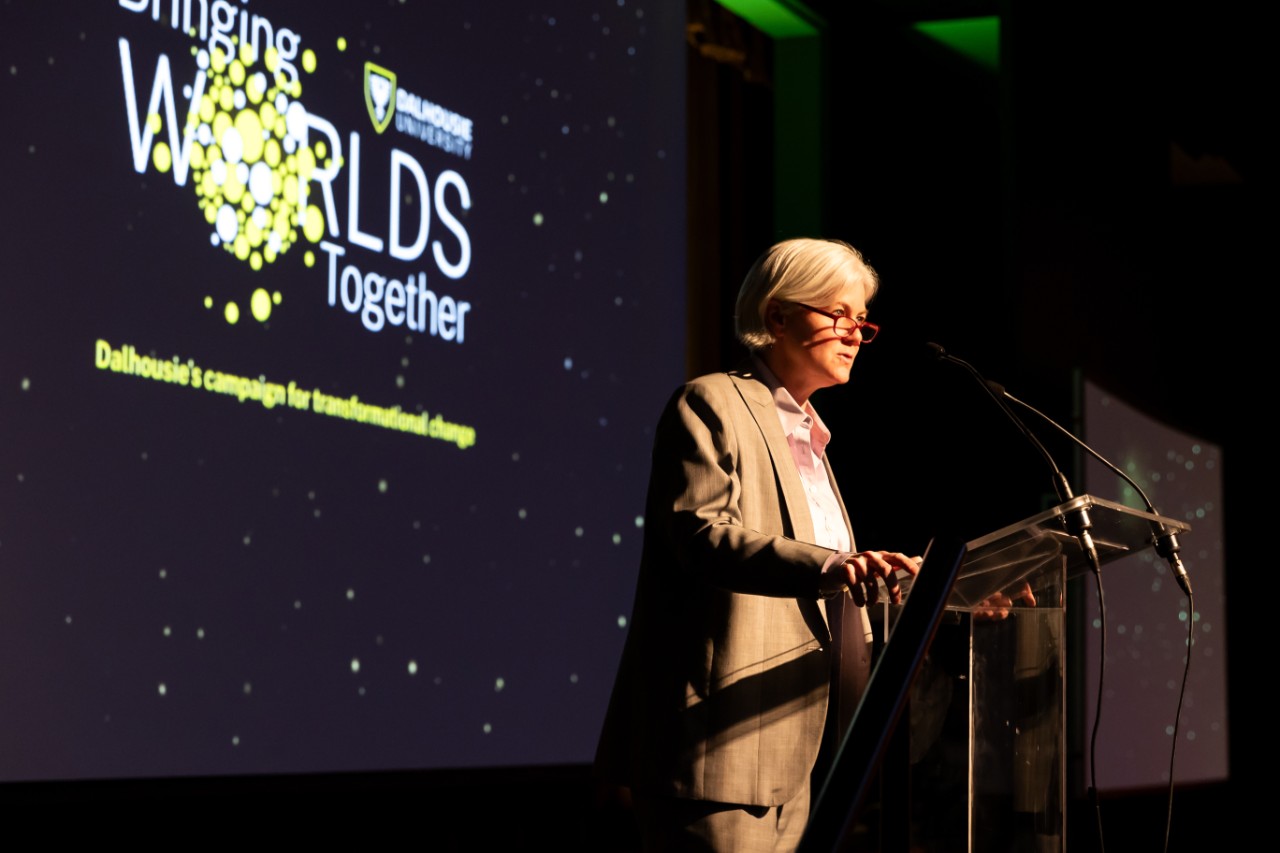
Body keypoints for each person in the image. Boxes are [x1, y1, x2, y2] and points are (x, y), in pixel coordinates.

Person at [595, 238, 921, 851]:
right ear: (777, 316)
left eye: (861, 321)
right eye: (837, 314)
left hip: (800, 752)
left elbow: (830, 585)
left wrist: (926, 590)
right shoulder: (713, 401)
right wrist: (837, 564)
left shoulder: (813, 440)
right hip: (719, 752)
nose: (854, 333)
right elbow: (701, 534)